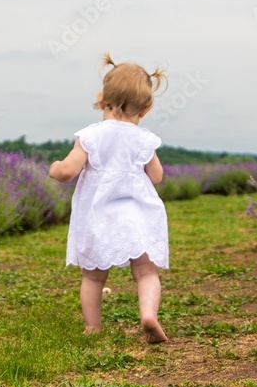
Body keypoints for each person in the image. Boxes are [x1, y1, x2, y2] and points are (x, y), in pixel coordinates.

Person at [48, 53, 169, 341]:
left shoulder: (91, 136)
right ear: (147, 107)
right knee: (146, 271)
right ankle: (148, 314)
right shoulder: (144, 139)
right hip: (137, 217)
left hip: (98, 218)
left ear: (101, 98)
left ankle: (93, 326)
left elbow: (68, 171)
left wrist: (54, 168)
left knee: (93, 276)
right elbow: (157, 176)